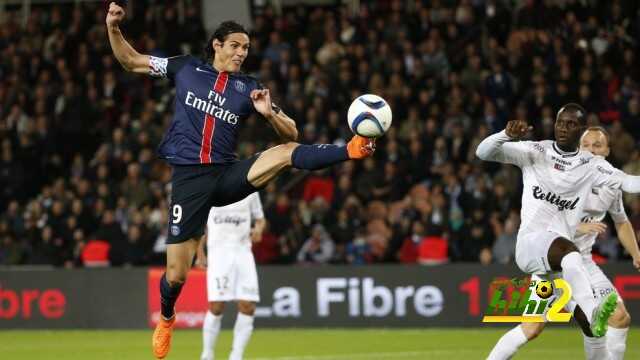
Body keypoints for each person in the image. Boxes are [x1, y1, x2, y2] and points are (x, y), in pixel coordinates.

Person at [105, 3, 375, 358]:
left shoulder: (249, 88)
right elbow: (132, 61)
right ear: (216, 45)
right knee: (176, 275)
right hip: (189, 182)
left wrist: (268, 112)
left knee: (285, 151)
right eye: (235, 45)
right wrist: (113, 28)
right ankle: (167, 318)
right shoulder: (185, 67)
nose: (241, 52)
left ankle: (352, 149)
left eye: (245, 47)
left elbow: (290, 131)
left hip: (227, 176)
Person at [475, 103, 640, 359]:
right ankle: (594, 310)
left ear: (581, 130)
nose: (564, 128)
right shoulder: (535, 151)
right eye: (560, 122)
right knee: (571, 256)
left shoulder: (591, 167)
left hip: (558, 267)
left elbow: (630, 183)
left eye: (571, 124)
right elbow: (483, 152)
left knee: (534, 327)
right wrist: (505, 135)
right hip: (534, 247)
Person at [197, 192, 264, 360]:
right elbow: (199, 224)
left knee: (248, 306)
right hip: (219, 255)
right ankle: (207, 354)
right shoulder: (211, 188)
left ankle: (236, 355)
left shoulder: (251, 189)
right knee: (217, 306)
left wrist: (258, 230)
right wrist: (200, 252)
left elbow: (260, 219)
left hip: (243, 253)